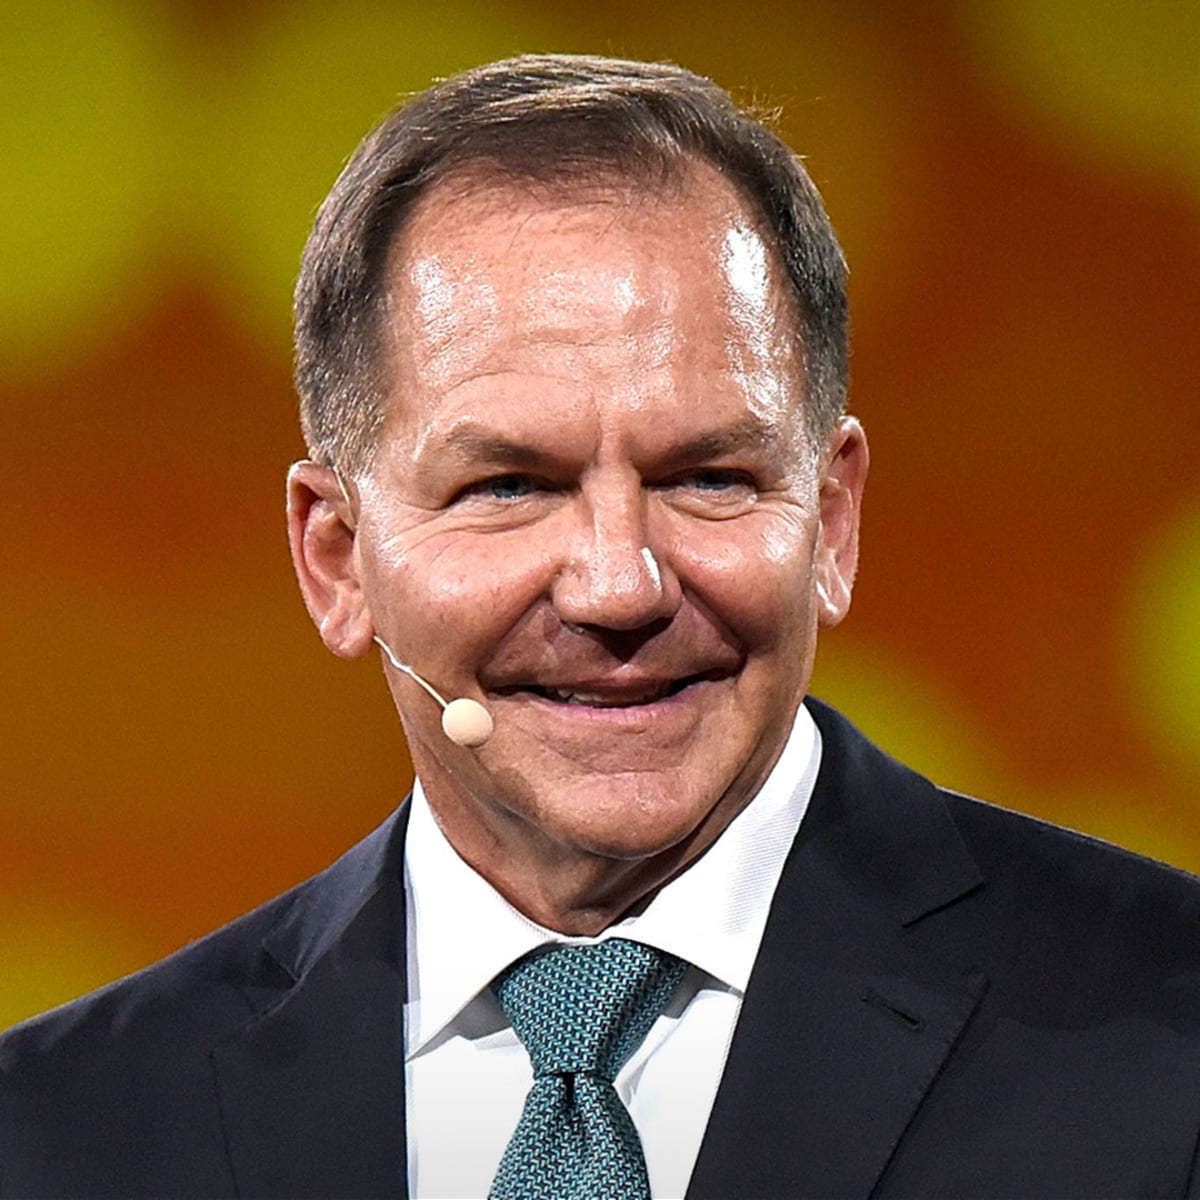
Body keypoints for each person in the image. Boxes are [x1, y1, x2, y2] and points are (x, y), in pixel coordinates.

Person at [3, 53, 1200, 1200]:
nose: (620, 587)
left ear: (831, 523)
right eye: (508, 487)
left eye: (709, 477)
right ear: (335, 559)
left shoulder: (1170, 1037)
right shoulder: (60, 1133)